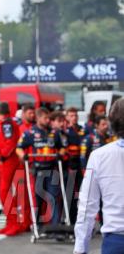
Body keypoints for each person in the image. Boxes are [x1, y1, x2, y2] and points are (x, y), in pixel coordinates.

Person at [73, 99, 124, 254]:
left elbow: (87, 205)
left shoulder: (99, 156)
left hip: (116, 240)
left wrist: (80, 248)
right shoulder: (98, 155)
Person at [17, 107, 64, 234]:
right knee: (37, 199)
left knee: (53, 198)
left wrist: (60, 153)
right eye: (45, 118)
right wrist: (23, 156)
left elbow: (62, 148)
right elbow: (19, 147)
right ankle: (37, 225)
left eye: (48, 118)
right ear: (38, 118)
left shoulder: (54, 133)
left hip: (52, 169)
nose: (48, 120)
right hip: (37, 170)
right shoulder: (30, 133)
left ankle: (56, 228)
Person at [0, 102, 24, 235]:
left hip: (8, 161)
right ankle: (11, 222)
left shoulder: (6, 124)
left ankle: (14, 223)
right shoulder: (7, 123)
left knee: (4, 192)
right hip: (7, 161)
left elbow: (10, 142)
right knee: (5, 192)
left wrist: (3, 156)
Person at [65, 106, 86, 225]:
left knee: (82, 194)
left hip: (81, 166)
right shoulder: (65, 132)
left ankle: (81, 219)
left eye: (75, 115)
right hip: (70, 166)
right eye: (71, 115)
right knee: (71, 194)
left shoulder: (82, 130)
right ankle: (71, 220)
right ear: (67, 117)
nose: (74, 118)